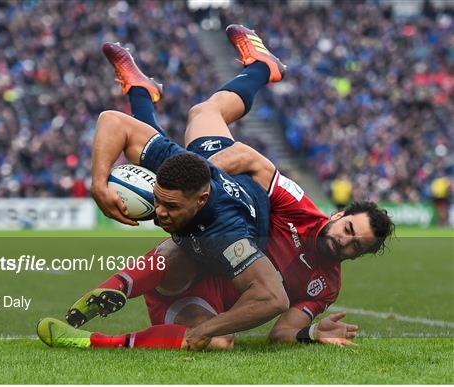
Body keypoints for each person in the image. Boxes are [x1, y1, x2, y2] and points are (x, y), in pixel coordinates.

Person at [37, 25, 394, 351]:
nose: (345, 241)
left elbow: (282, 331)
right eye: (349, 229)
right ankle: (260, 68)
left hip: (210, 276)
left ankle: (142, 91)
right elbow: (253, 162)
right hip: (211, 200)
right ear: (338, 215)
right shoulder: (301, 209)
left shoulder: (326, 287)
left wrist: (314, 333)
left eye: (356, 245)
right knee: (203, 114)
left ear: (358, 255)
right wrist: (200, 177)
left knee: (217, 340)